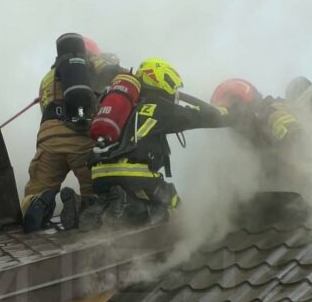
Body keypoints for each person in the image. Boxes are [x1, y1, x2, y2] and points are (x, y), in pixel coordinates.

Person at [81, 57, 230, 229]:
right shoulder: (157, 106)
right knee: (170, 202)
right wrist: (231, 115)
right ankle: (130, 207)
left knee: (121, 201)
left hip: (98, 173)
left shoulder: (126, 106)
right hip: (132, 173)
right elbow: (196, 116)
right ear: (162, 80)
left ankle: (96, 206)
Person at [21, 33, 122, 232]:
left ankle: (38, 203)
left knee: (36, 189)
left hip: (48, 138)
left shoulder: (47, 78)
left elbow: (44, 106)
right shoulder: (89, 69)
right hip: (81, 136)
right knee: (94, 188)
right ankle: (83, 206)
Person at [211, 76, 312, 193]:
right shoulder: (260, 125)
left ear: (241, 104)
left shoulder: (272, 113)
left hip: (308, 188)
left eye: (233, 114)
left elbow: (299, 142)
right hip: (300, 189)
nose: (235, 127)